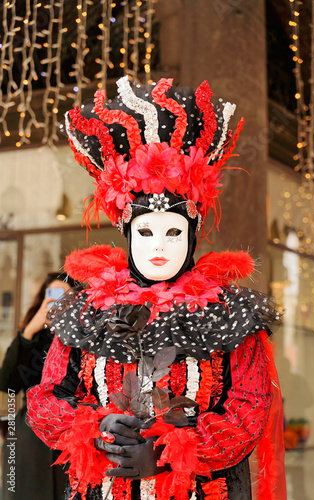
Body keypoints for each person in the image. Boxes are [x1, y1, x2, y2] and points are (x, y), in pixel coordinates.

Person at [27, 76, 286, 500]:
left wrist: (171, 453)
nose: (160, 246)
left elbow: (249, 410)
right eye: (146, 232)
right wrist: (92, 427)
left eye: (173, 232)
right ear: (128, 235)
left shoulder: (228, 314)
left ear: (193, 236)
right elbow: (44, 398)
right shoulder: (88, 311)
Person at [0, 272, 75, 500]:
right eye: (52, 295)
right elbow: (7, 383)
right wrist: (30, 330)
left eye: (65, 296)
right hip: (30, 432)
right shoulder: (33, 337)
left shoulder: (84, 339)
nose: (57, 301)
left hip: (72, 432)